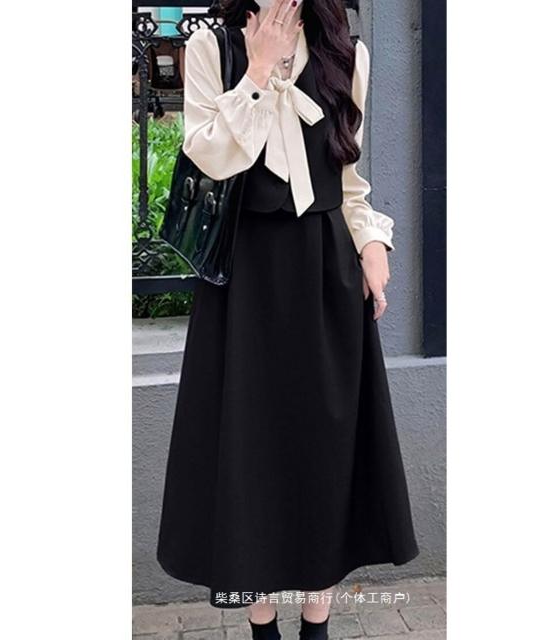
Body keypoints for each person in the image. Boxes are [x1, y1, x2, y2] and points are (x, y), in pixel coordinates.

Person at [156, 1, 419, 638]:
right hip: (243, 276)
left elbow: (349, 177)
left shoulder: (346, 51)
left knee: (324, 448)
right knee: (248, 448)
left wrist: (371, 241)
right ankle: (262, 624)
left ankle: (317, 622)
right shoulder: (213, 47)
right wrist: (257, 72)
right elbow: (207, 156)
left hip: (325, 272)